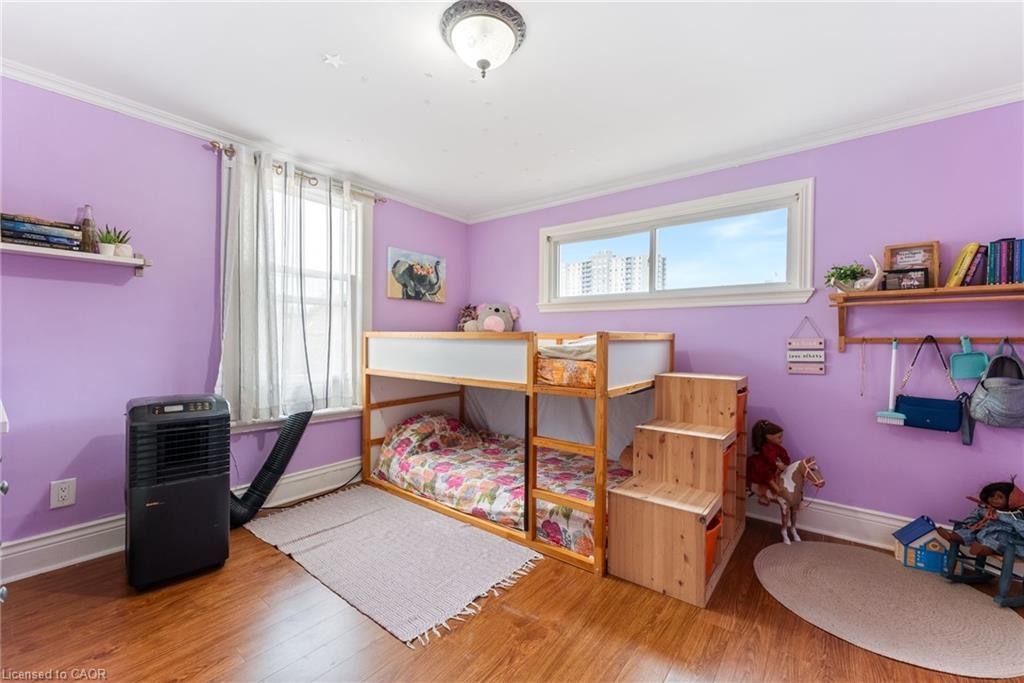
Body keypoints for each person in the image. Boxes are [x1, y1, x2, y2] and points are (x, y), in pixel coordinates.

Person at [937, 481, 1024, 557]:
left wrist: (1004, 518)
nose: (994, 499)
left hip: (1003, 539)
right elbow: (974, 516)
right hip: (981, 532)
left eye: (1000, 497)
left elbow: (1021, 529)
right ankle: (956, 537)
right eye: (992, 496)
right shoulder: (985, 509)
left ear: (1011, 500)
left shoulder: (1016, 515)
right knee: (971, 530)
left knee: (996, 537)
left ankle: (985, 548)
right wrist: (970, 523)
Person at [748, 419, 791, 505]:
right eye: (779, 437)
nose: (781, 440)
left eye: (781, 437)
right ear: (768, 437)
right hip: (763, 464)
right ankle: (777, 490)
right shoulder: (766, 448)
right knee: (768, 475)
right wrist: (777, 464)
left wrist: (786, 463)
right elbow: (769, 458)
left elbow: (784, 454)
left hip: (773, 464)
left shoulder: (778, 447)